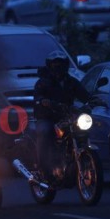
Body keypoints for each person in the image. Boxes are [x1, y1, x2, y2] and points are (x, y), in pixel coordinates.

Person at [33, 50, 92, 182]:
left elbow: (84, 95)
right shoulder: (43, 82)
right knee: (45, 131)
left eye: (61, 64)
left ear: (65, 65)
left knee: (80, 129)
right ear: (50, 65)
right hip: (47, 117)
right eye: (55, 64)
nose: (58, 67)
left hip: (65, 116)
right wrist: (43, 101)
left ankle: (78, 157)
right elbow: (38, 96)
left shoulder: (71, 82)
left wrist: (94, 100)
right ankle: (44, 168)